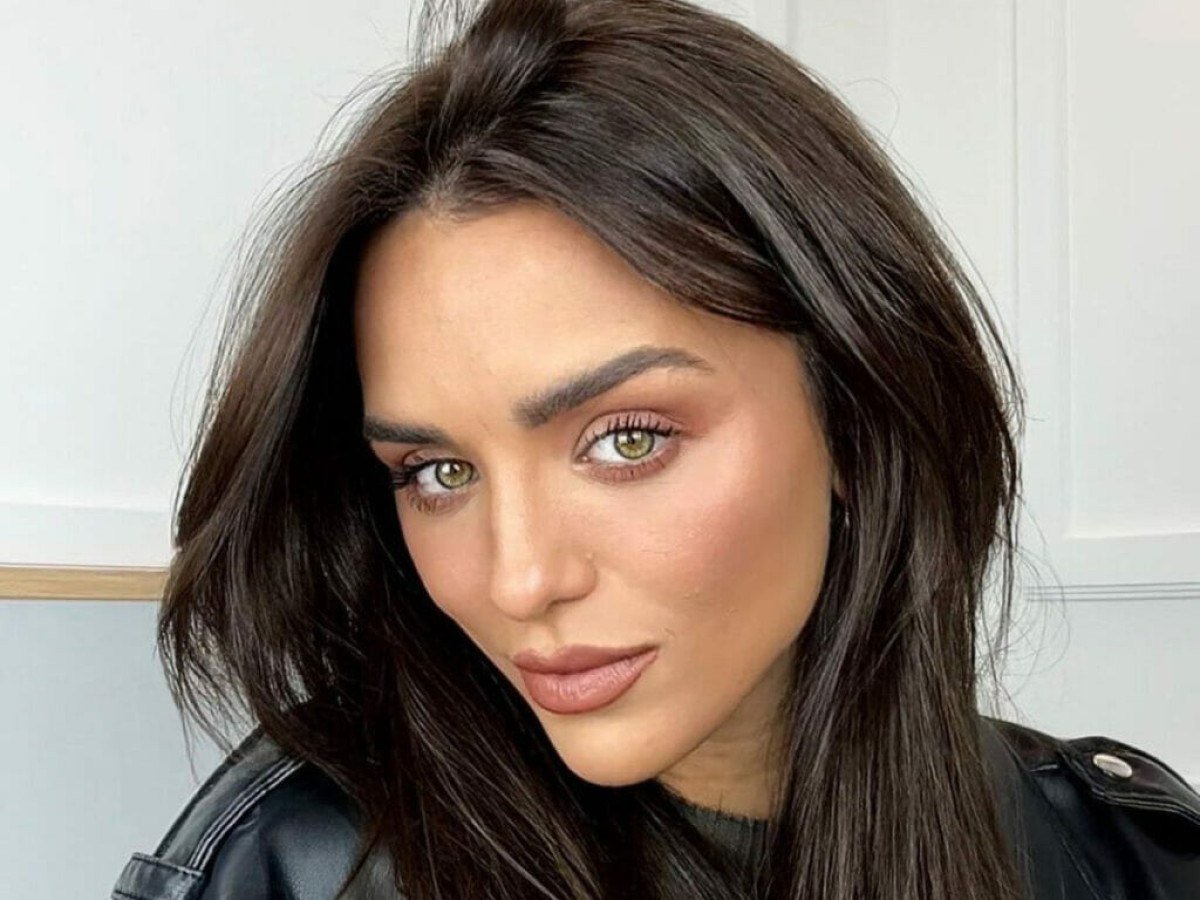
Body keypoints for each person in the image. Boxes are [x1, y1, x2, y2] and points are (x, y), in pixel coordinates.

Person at [110, 0, 1200, 897]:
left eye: (626, 440)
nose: (520, 579)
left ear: (856, 421)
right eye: (438, 473)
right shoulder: (295, 870)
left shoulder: (1127, 862)